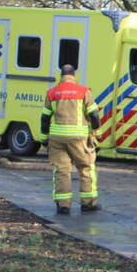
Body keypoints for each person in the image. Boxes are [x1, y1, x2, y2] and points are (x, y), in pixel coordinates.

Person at [39, 64, 101, 214]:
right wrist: (97, 134)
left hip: (57, 139)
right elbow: (94, 115)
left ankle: (63, 205)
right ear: (74, 75)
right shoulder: (84, 91)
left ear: (61, 76)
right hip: (79, 139)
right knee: (86, 169)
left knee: (61, 171)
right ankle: (88, 203)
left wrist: (44, 139)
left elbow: (45, 118)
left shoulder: (52, 93)